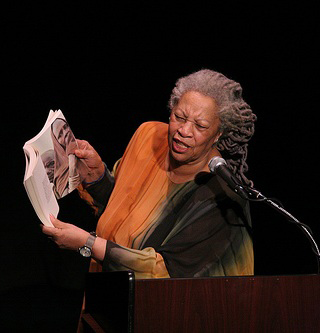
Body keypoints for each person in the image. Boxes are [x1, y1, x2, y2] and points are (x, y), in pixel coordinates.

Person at [41, 69, 257, 279]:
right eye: (179, 117)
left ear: (218, 134)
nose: (184, 131)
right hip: (107, 290)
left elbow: (164, 271)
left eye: (200, 126)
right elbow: (120, 212)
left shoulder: (220, 195)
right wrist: (95, 176)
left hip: (164, 307)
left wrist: (87, 243)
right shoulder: (149, 136)